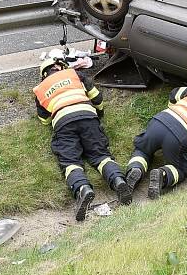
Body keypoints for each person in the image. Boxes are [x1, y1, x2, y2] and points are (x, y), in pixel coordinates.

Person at [34, 58, 131, 221]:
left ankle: (83, 189)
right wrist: (98, 114)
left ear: (44, 74)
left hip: (63, 122)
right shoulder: (74, 74)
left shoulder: (40, 89)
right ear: (60, 66)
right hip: (88, 116)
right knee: (100, 155)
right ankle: (118, 180)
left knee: (70, 162)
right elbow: (97, 98)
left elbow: (44, 121)